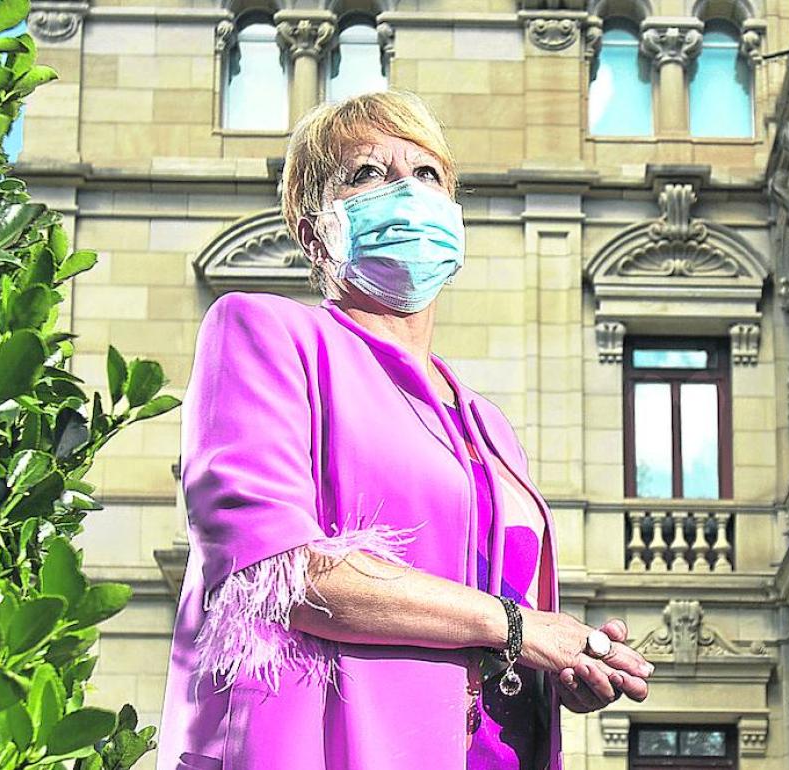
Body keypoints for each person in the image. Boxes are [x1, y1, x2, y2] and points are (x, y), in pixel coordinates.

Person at [157, 90, 653, 770]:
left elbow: (494, 617)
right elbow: (274, 570)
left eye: (427, 175)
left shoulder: (488, 424)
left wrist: (561, 666)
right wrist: (516, 628)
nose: (407, 193)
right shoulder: (261, 331)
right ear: (311, 228)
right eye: (367, 173)